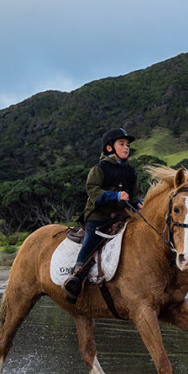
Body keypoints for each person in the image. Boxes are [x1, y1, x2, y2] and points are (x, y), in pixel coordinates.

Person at [63, 127, 143, 304]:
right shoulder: (99, 169)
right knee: (91, 240)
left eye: (127, 145)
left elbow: (136, 194)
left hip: (123, 216)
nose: (126, 147)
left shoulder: (132, 172)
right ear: (109, 148)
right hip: (99, 217)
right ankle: (75, 277)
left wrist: (139, 203)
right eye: (121, 144)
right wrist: (115, 196)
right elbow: (93, 191)